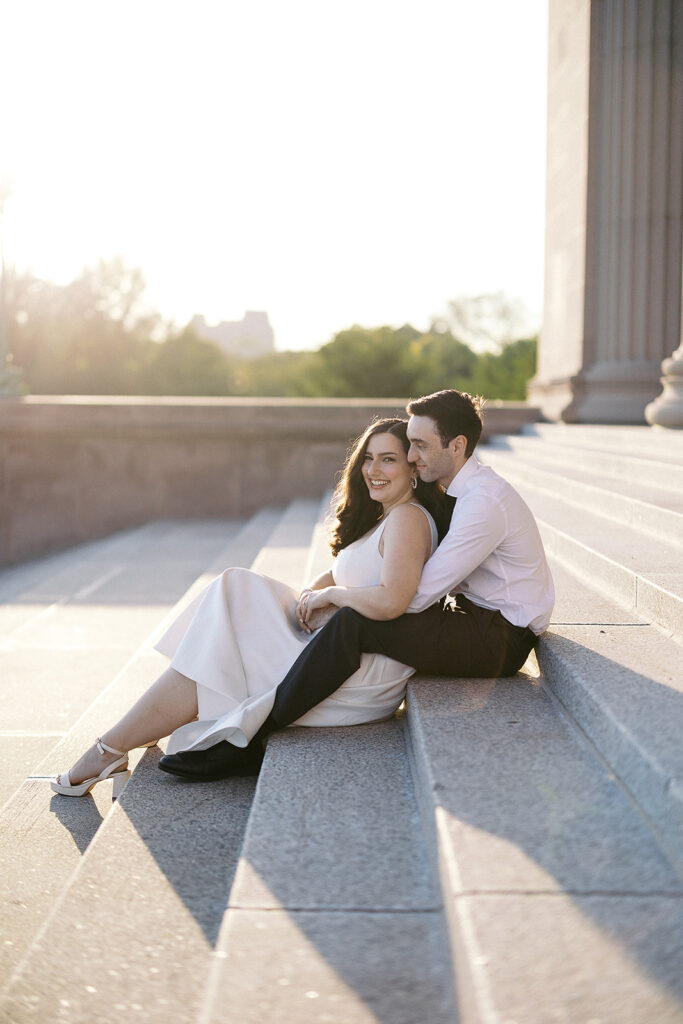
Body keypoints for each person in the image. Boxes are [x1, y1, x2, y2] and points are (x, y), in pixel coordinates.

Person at [159, 388, 555, 782]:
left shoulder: (483, 503)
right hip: (478, 620)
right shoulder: (465, 491)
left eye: (419, 445)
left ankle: (251, 739)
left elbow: (411, 599)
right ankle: (254, 713)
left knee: (354, 623)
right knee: (353, 619)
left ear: (457, 445)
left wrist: (337, 597)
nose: (412, 455)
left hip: (498, 639)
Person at [51, 418, 445, 797]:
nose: (372, 469)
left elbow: (393, 600)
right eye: (368, 457)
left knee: (230, 605)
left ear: (413, 469)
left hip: (354, 672)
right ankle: (132, 737)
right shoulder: (386, 519)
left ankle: (110, 749)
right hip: (336, 650)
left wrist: (333, 597)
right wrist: (314, 596)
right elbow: (339, 576)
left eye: (388, 459)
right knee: (234, 590)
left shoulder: (408, 519)